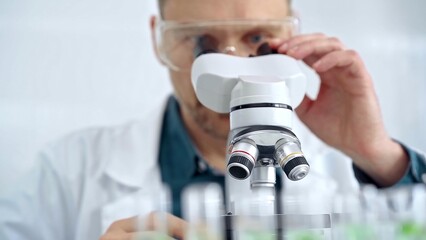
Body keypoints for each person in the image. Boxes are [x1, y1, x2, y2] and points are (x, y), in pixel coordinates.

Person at [1, 0, 425, 239]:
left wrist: (378, 157)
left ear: (290, 36)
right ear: (159, 39)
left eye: (258, 40)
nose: (232, 67)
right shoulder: (69, 172)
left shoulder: (353, 167)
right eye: (203, 42)